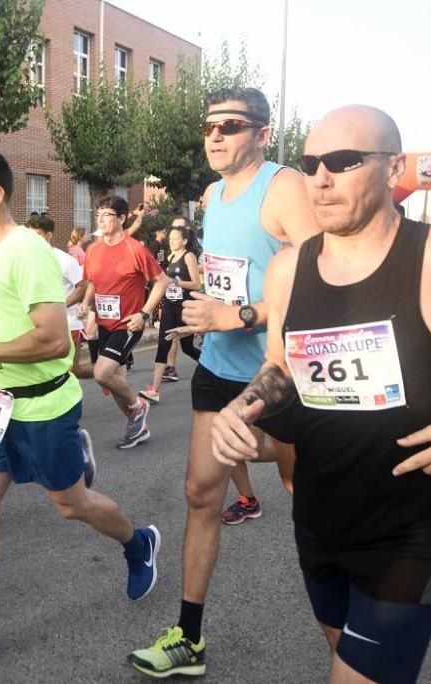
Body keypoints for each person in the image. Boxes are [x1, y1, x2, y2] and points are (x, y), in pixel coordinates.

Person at [206, 105, 431, 683]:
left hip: (407, 532)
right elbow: (279, 367)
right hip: (318, 516)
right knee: (351, 656)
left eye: (343, 162)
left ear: (394, 169)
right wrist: (241, 407)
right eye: (312, 162)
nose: (320, 178)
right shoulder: (289, 269)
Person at [0, 148, 159, 658]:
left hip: (43, 407)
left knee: (71, 506)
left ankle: (139, 544)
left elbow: (55, 342)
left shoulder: (26, 251)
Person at [129, 87, 318, 677]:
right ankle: (190, 637)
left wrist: (236, 315)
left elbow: (323, 284)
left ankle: (355, 644)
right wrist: (205, 308)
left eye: (231, 126)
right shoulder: (212, 194)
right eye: (209, 125)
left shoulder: (283, 187)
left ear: (262, 134)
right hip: (220, 366)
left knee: (304, 495)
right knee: (199, 492)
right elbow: (238, 271)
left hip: (281, 372)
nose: (215, 135)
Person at [80, 195, 170, 449]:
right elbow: (93, 283)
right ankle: (136, 426)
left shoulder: (135, 249)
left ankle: (139, 407)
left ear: (122, 218)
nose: (100, 219)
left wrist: (144, 313)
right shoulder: (94, 249)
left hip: (128, 324)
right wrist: (88, 309)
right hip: (105, 324)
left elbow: (161, 282)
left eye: (107, 214)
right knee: (115, 381)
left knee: (102, 373)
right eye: (98, 214)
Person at [140, 225, 202, 404]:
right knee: (163, 344)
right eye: (171, 239)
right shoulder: (170, 257)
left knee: (187, 347)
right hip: (169, 305)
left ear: (184, 241)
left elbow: (196, 284)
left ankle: (213, 367)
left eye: (176, 239)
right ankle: (154, 389)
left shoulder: (188, 256)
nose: (172, 241)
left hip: (184, 306)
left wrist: (176, 281)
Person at [31, 214, 93, 380]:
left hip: (67, 324)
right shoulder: (27, 260)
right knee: (45, 373)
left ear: (49, 235)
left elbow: (82, 286)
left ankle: (106, 373)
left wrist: (59, 306)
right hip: (39, 326)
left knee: (72, 372)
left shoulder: (64, 260)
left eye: (36, 235)